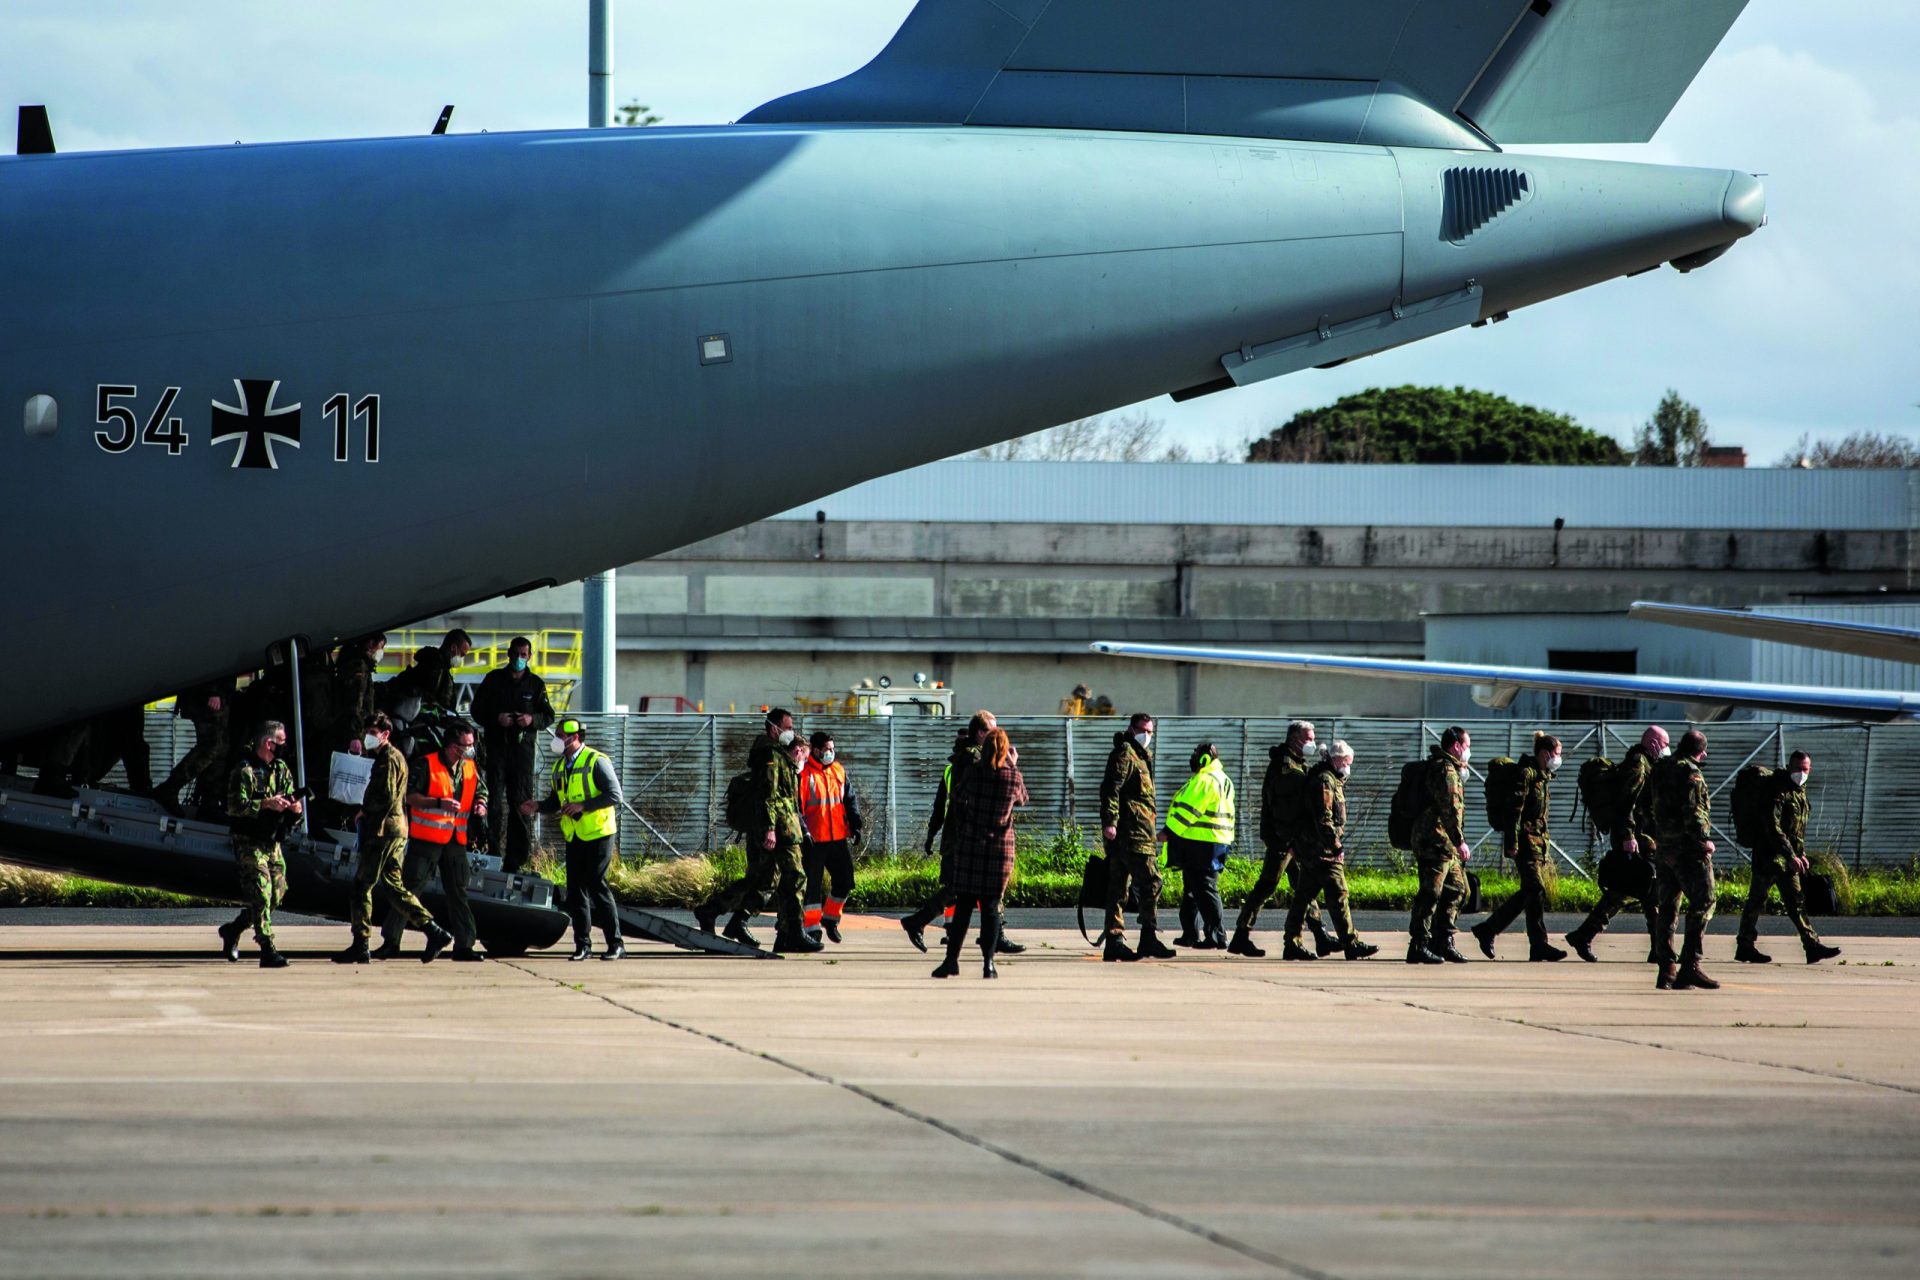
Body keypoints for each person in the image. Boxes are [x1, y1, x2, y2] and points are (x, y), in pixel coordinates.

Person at [899, 712, 1024, 956]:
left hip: (966, 835)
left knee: (963, 888)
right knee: (969, 888)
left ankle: (992, 934)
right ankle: (921, 922)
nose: (997, 736)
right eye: (992, 731)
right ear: (980, 733)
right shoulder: (972, 760)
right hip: (968, 837)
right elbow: (971, 796)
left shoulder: (968, 757)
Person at [694, 708, 817, 953]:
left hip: (780, 826)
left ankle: (721, 914)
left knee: (763, 880)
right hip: (778, 828)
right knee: (795, 876)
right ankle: (793, 931)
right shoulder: (770, 754)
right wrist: (770, 829)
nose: (791, 732)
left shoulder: (777, 754)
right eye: (788, 727)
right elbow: (769, 795)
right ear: (774, 728)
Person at [333, 714, 448, 964]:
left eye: (374, 731)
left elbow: (385, 794)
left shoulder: (387, 758)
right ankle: (433, 931)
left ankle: (361, 943)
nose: (369, 736)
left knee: (362, 886)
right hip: (396, 829)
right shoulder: (392, 757)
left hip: (382, 830)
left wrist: (365, 810)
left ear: (386, 734)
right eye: (368, 731)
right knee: (394, 888)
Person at [378, 721, 486, 963]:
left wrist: (481, 804)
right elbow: (410, 797)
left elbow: (481, 790)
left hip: (455, 841)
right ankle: (391, 941)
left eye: (471, 745)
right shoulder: (426, 764)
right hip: (427, 841)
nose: (470, 749)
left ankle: (465, 945)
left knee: (458, 892)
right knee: (410, 889)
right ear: (451, 745)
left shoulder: (469, 767)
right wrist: (439, 803)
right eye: (465, 745)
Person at [520, 717, 625, 960]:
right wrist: (537, 806)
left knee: (597, 886)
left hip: (598, 832)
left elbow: (614, 795)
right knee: (577, 891)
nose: (555, 740)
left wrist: (583, 806)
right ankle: (583, 945)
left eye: (559, 736)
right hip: (575, 834)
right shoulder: (559, 767)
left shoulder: (596, 761)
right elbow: (555, 802)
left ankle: (616, 944)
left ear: (574, 737)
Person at [1229, 721, 1331, 959]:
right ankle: (1241, 935)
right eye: (1308, 739)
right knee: (1268, 885)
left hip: (1292, 839)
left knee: (1303, 886)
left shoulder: (1295, 764)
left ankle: (1319, 933)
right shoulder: (1284, 766)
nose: (1312, 743)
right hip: (1283, 839)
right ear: (1294, 739)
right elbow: (1288, 805)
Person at [1565, 725, 1666, 963]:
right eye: (1663, 744)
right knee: (1644, 890)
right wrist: (1628, 836)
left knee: (1633, 891)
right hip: (1638, 838)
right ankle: (1659, 948)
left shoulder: (1644, 763)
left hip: (1640, 837)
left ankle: (1585, 934)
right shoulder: (1639, 765)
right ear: (1652, 743)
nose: (1665, 749)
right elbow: (1626, 803)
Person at [936, 727, 1027, 979]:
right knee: (990, 908)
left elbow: (957, 796)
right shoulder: (1012, 777)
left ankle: (951, 960)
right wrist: (1012, 764)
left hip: (971, 847)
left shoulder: (974, 773)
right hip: (1000, 851)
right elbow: (1022, 800)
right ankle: (988, 963)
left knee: (963, 906)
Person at [1736, 751, 1842, 965]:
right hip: (1771, 856)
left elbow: (1796, 830)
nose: (1801, 773)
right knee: (1782, 900)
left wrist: (1800, 854)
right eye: (1797, 769)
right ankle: (1809, 945)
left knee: (1772, 900)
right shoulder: (1777, 790)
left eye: (1805, 769)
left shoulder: (1799, 793)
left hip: (1786, 857)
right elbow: (1772, 827)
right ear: (1788, 766)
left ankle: (1746, 946)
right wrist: (1791, 855)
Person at [1472, 734, 1568, 962]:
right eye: (1557, 754)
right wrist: (1512, 843)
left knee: (1532, 892)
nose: (1559, 758)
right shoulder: (1526, 774)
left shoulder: (1543, 776)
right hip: (1524, 843)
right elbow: (1513, 811)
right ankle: (1534, 943)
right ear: (1545, 753)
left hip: (1537, 844)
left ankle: (1492, 931)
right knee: (1535, 890)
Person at [216, 720, 300, 968]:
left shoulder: (282, 768)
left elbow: (291, 799)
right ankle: (267, 948)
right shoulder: (245, 771)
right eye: (281, 742)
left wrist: (295, 809)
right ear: (268, 743)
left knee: (276, 894)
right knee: (261, 894)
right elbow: (234, 807)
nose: (285, 747)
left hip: (272, 841)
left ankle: (233, 929)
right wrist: (265, 804)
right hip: (249, 842)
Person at [1285, 741, 1379, 960]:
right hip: (1322, 850)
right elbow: (1324, 817)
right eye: (1347, 762)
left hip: (1313, 848)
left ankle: (1292, 942)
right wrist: (1336, 845)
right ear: (1337, 759)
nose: (1348, 767)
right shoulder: (1325, 781)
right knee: (1338, 894)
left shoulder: (1327, 778)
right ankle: (1350, 943)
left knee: (1303, 898)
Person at [471, 635, 556, 873]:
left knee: (520, 805)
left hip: (522, 754)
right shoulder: (493, 679)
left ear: (529, 656)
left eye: (523, 655)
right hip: (496, 750)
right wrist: (496, 718)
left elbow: (549, 715)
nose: (519, 658)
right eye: (515, 654)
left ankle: (516, 861)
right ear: (509, 654)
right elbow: (476, 710)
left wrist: (531, 720)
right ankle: (491, 856)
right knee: (493, 803)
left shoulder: (536, 685)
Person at [1099, 712, 1173, 962]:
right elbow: (1111, 788)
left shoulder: (1141, 757)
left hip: (1140, 832)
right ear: (1132, 729)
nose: (1148, 735)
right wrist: (1110, 822)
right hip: (1131, 834)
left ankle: (1116, 940)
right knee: (1151, 881)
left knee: (1120, 887)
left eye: (1151, 731)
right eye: (1144, 730)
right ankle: (1146, 937)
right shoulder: (1125, 754)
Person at [1651, 729, 1718, 991]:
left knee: (1667, 907)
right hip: (1686, 850)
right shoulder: (1691, 773)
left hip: (1664, 847)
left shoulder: (1661, 767)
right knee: (1704, 900)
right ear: (1701, 751)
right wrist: (1703, 841)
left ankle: (1666, 969)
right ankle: (1690, 964)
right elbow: (1694, 811)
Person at [1408, 727, 1473, 965]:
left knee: (1458, 889)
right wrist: (1460, 841)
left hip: (1444, 842)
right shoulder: (1445, 770)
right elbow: (1450, 809)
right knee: (1431, 893)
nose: (1468, 751)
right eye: (1466, 746)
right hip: (1433, 840)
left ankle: (1443, 942)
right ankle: (1418, 945)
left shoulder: (1450, 768)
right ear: (1456, 746)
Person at [1166, 742, 1234, 950]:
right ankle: (1190, 934)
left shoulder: (1205, 779)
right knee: (1192, 890)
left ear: (1205, 758)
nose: (1193, 757)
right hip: (1210, 841)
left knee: (1205, 889)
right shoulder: (1220, 778)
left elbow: (1189, 810)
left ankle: (1216, 935)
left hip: (1203, 843)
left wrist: (1168, 832)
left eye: (1196, 754)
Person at [799, 731, 860, 944]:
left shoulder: (838, 771)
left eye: (833, 749)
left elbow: (849, 799)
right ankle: (812, 928)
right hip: (814, 840)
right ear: (816, 750)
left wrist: (855, 823)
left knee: (845, 881)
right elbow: (798, 808)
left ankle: (831, 919)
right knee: (812, 887)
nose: (831, 753)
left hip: (837, 838)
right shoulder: (804, 775)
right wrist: (804, 832)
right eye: (828, 749)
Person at [155, 679, 233, 817]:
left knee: (220, 750)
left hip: (219, 693)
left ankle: (209, 804)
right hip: (206, 694)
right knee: (212, 745)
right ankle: (170, 788)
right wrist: (212, 691)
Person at [394, 629, 472, 712]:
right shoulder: (434, 668)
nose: (461, 659)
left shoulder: (438, 667)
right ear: (453, 648)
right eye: (462, 654)